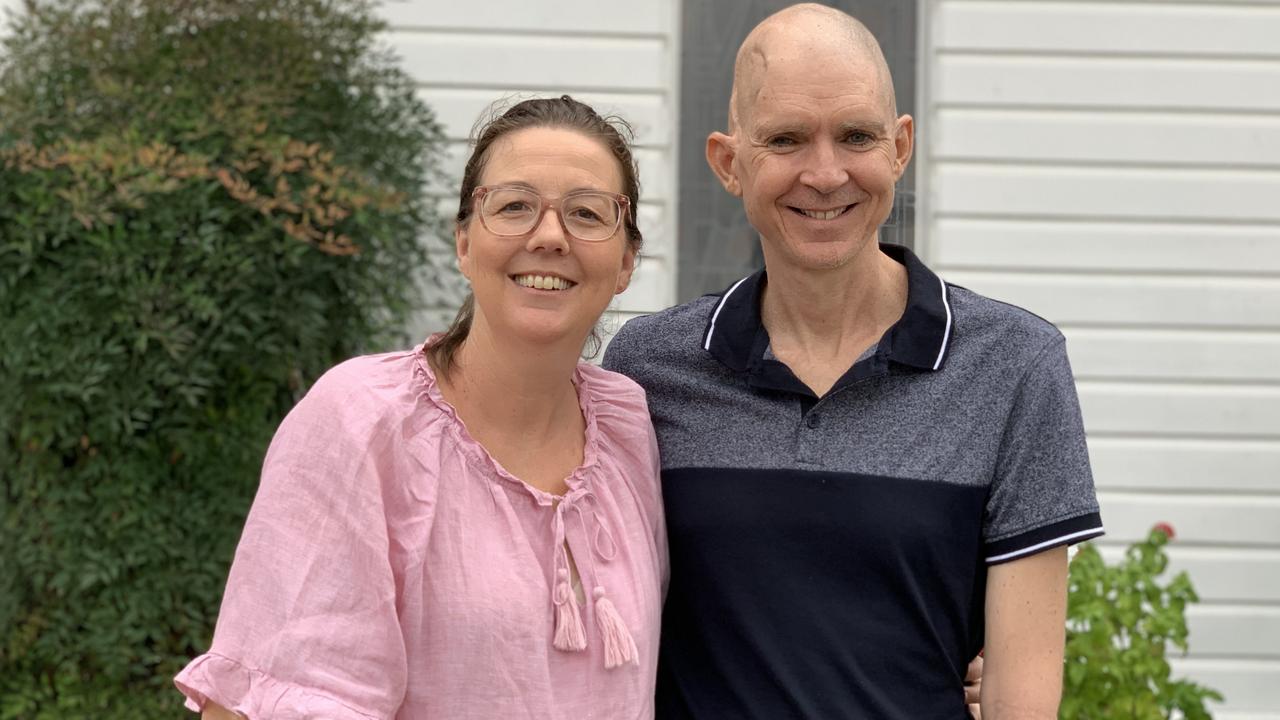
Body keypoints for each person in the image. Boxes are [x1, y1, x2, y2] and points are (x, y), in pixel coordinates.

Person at [602, 4, 1104, 719]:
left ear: (900, 147)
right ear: (728, 162)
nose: (826, 172)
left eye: (857, 136)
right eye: (785, 139)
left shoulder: (1015, 365)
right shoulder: (649, 369)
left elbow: (1023, 697)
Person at [175, 96, 666, 719]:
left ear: (625, 261)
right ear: (464, 243)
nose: (549, 236)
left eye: (587, 213)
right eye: (513, 206)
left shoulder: (626, 426)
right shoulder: (364, 423)